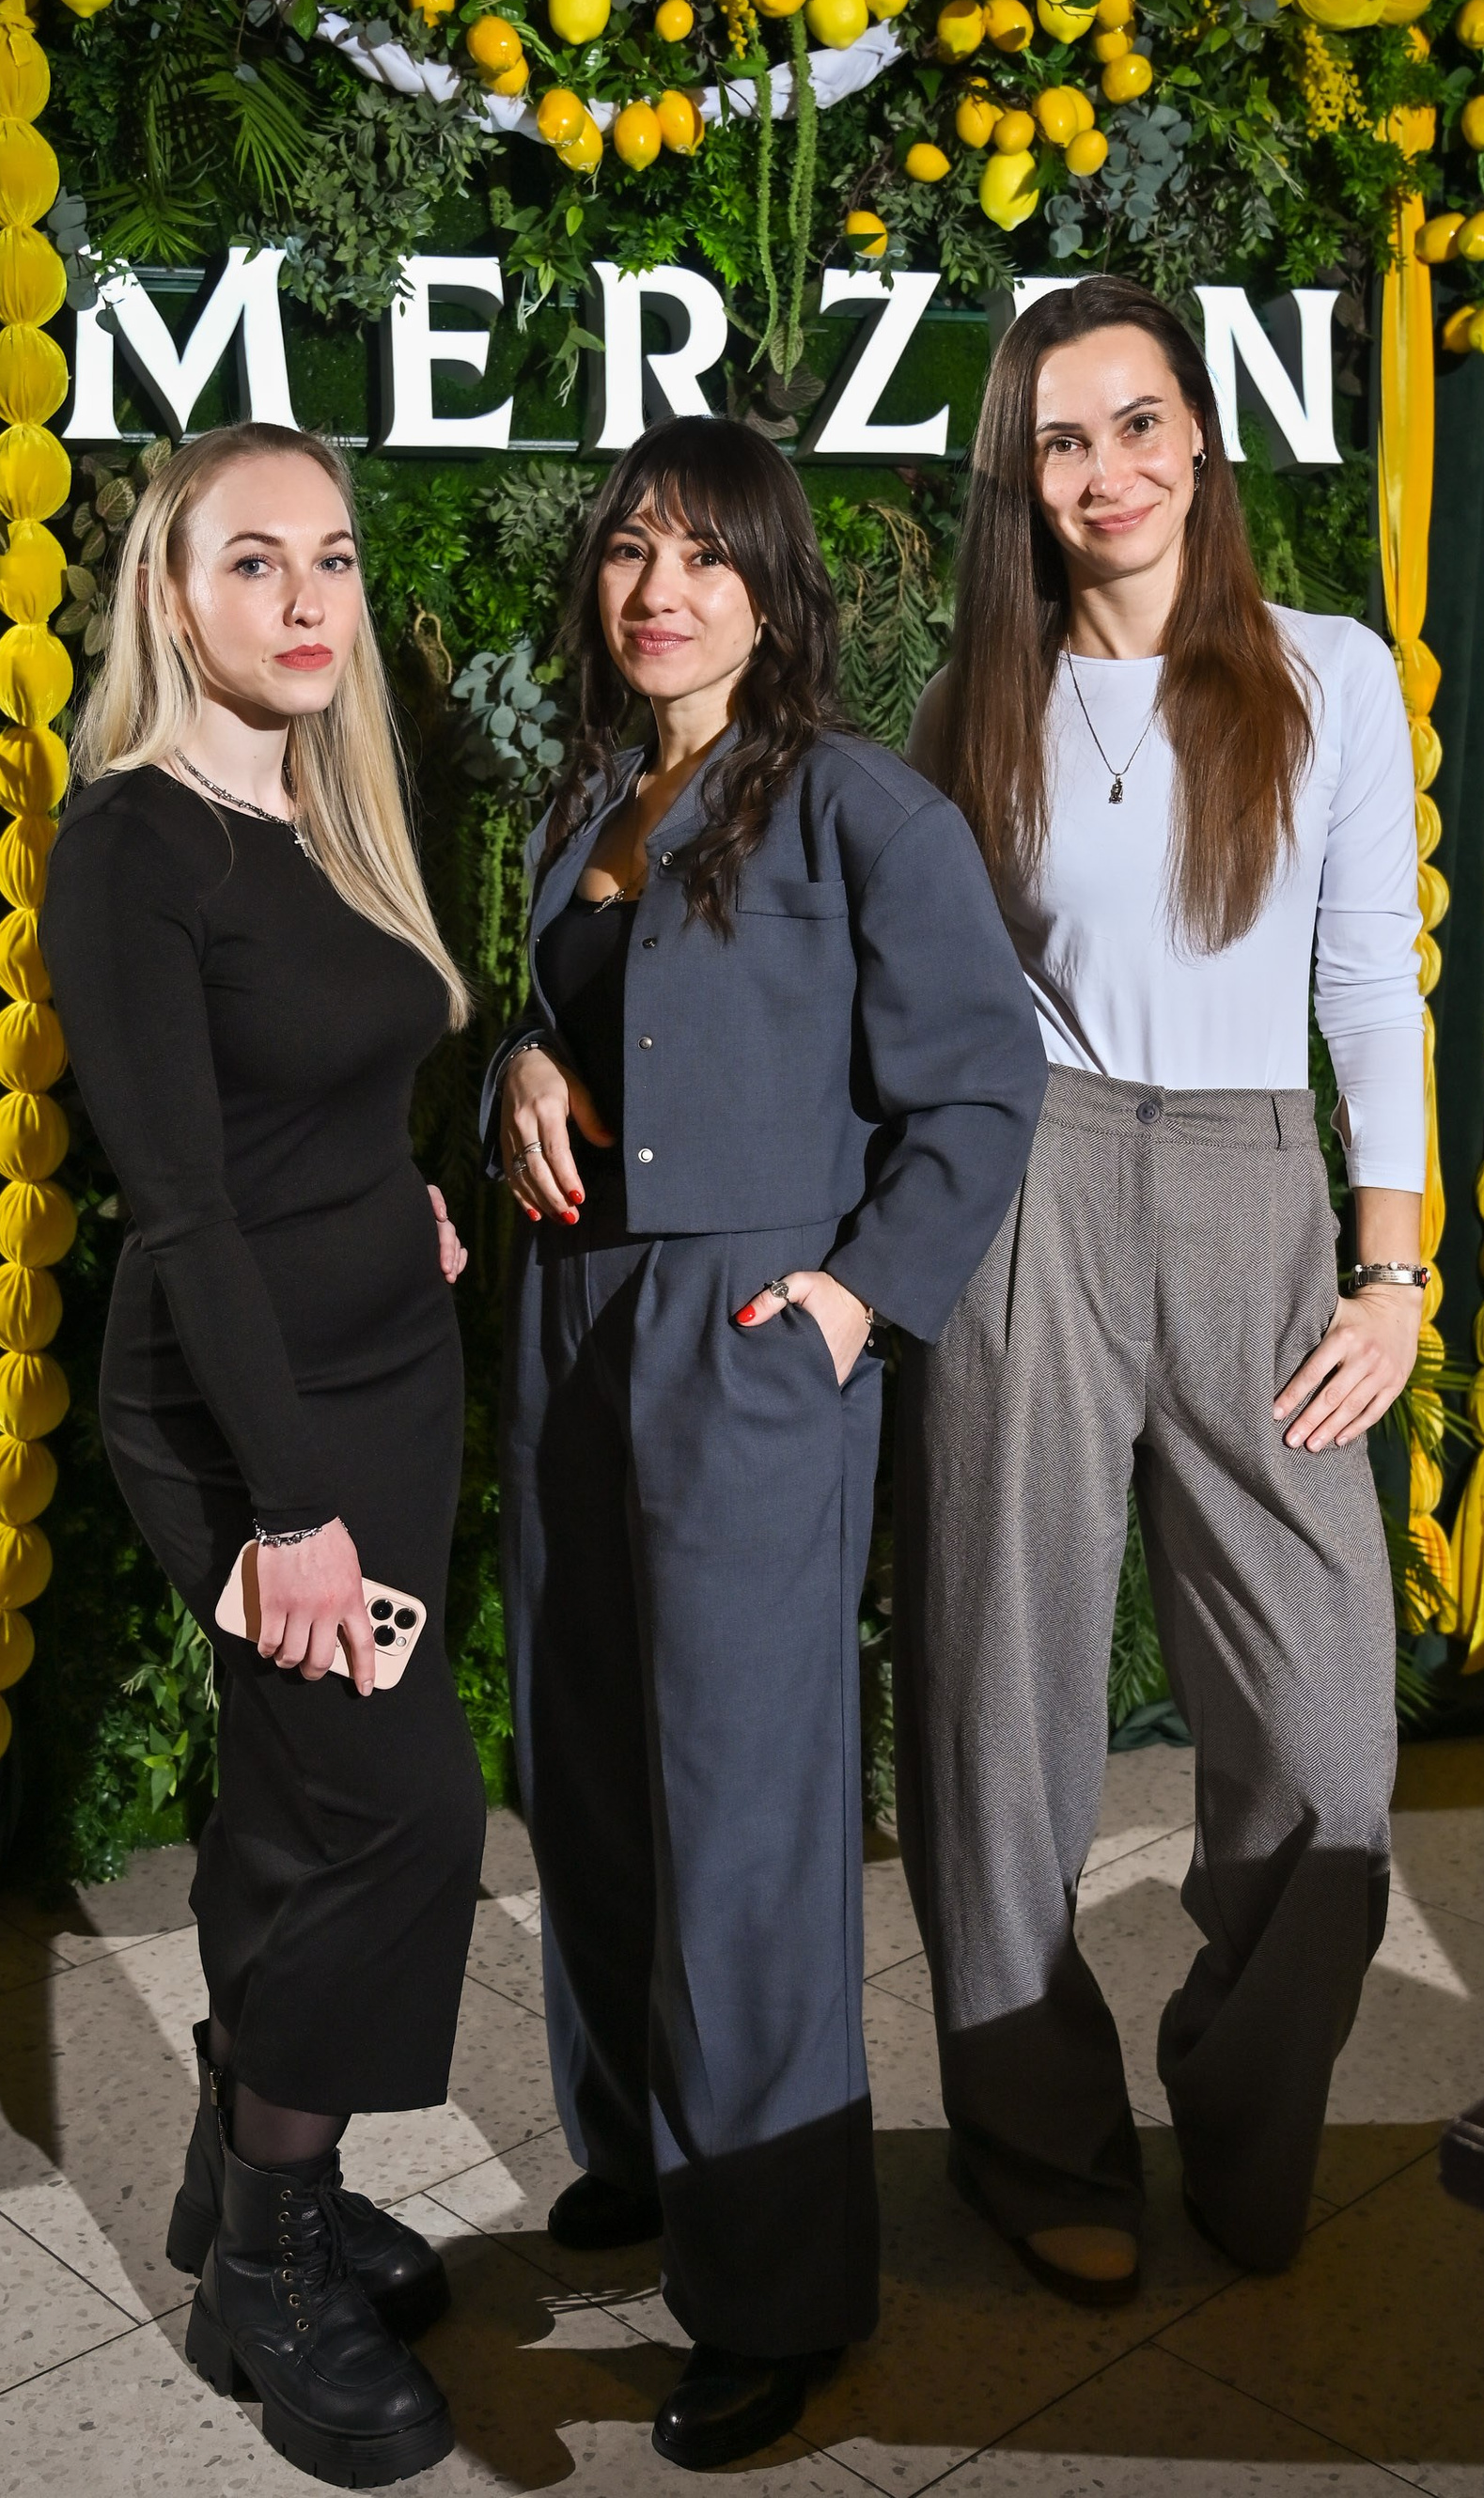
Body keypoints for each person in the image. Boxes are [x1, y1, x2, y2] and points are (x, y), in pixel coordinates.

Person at [488, 414, 1046, 2471]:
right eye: (632, 549)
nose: (661, 590)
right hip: (569, 1327)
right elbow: (573, 1016)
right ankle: (647, 2150)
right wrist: (521, 1063)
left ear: (774, 589)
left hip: (746, 1337)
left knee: (741, 1815)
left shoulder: (861, 808)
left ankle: (777, 2288)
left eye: (706, 555)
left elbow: (983, 1085)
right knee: (589, 1765)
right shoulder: (586, 795)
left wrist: (851, 1301)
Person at [898, 274, 1425, 2302]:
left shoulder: (1330, 673)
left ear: (1199, 435)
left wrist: (1391, 1271)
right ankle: (1035, 2144)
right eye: (1061, 439)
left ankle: (1237, 2094)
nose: (1106, 469)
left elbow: (1370, 985)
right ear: (1021, 481)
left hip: (1253, 1193)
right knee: (998, 1706)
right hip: (1027, 1190)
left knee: (1329, 1746)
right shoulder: (978, 707)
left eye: (1137, 423)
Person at [42, 422, 486, 2487]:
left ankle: (240, 2185)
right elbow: (184, 1204)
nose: (307, 600)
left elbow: (313, 1104)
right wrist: (288, 1511)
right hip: (245, 1417)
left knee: (302, 1804)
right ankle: (271, 2267)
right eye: (253, 561)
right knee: (399, 1809)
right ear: (171, 592)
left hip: (385, 1371)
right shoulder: (132, 842)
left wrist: (403, 1201)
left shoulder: (321, 804)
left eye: (331, 559)